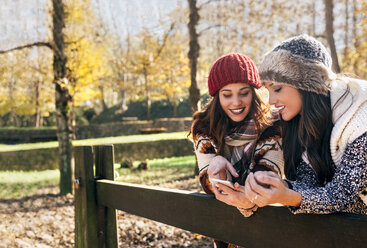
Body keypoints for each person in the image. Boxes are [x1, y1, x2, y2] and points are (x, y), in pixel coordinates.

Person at [239, 34, 367, 214]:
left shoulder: (360, 120)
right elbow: (309, 183)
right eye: (268, 90)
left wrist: (287, 196)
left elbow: (342, 194)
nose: (271, 100)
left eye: (277, 88)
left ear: (307, 84)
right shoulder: (303, 122)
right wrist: (275, 185)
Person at [191, 53, 284, 220]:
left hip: (269, 220)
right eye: (227, 95)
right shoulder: (203, 127)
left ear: (254, 93)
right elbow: (208, 182)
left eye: (244, 93)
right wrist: (217, 171)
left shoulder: (274, 124)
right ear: (217, 96)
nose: (236, 102)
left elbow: (269, 174)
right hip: (225, 223)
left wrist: (249, 199)